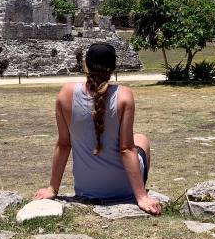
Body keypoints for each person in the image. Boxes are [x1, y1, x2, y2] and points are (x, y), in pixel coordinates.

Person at [33, 42, 161, 215]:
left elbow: (63, 145)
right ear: (113, 67)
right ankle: (139, 188)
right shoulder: (124, 95)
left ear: (85, 64)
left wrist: (52, 188)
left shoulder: (66, 93)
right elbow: (126, 149)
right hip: (123, 190)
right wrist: (141, 197)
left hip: (86, 189)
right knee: (141, 139)